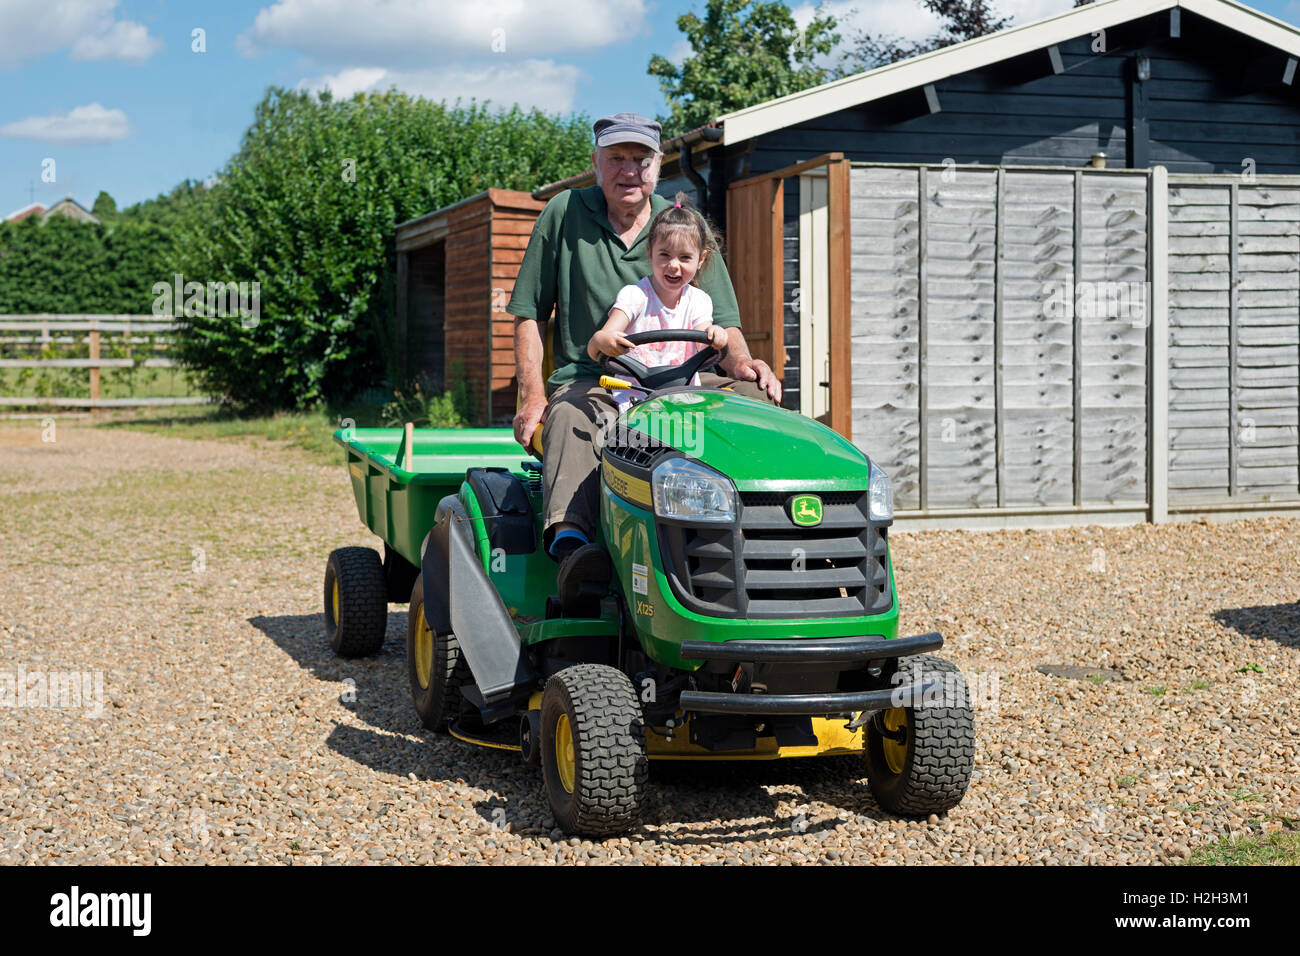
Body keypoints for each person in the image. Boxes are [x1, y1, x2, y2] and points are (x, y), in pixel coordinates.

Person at [507, 111, 782, 589]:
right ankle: (574, 548)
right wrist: (532, 396)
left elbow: (727, 325)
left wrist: (743, 364)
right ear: (596, 162)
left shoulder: (681, 223)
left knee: (760, 402)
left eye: (640, 159)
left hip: (684, 377)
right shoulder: (565, 211)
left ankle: (768, 533)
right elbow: (530, 312)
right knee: (570, 416)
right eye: (616, 158)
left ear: (658, 166)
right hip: (598, 378)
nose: (628, 171)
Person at [587, 193, 729, 392]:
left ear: (701, 259)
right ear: (649, 252)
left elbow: (704, 342)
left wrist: (716, 335)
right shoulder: (635, 296)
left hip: (683, 396)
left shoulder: (699, 301)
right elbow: (597, 344)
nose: (673, 265)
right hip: (637, 396)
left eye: (685, 257)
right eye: (664, 255)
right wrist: (602, 341)